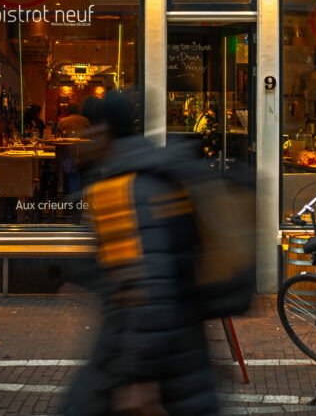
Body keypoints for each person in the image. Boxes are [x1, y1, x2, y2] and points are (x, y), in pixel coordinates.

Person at [62, 91, 219, 416]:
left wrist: (139, 379)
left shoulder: (121, 188)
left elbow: (148, 288)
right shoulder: (156, 172)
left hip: (154, 364)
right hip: (180, 353)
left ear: (104, 132)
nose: (85, 140)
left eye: (91, 131)